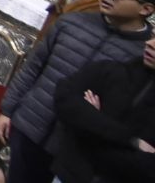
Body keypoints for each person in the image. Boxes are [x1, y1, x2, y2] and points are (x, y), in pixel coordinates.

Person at [0, 0, 155, 183]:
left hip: (79, 152)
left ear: (146, 9)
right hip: (30, 127)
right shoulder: (71, 23)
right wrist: (8, 110)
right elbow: (33, 67)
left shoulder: (144, 55)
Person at [51, 31, 155, 183]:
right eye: (152, 36)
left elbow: (148, 168)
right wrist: (131, 141)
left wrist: (93, 123)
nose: (150, 43)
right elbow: (64, 100)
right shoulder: (111, 71)